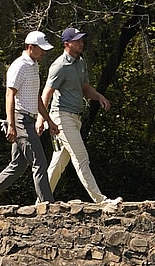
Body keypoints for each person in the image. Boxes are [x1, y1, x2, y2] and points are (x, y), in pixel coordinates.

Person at [0, 31, 59, 206]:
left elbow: (36, 97)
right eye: (41, 49)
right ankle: (47, 204)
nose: (44, 53)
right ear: (30, 47)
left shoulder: (33, 65)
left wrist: (48, 120)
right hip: (20, 120)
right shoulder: (19, 66)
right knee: (39, 162)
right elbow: (10, 95)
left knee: (17, 166)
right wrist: (12, 124)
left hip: (28, 119)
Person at [37, 27, 121, 205]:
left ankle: (41, 201)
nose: (81, 43)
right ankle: (101, 201)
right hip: (61, 117)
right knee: (82, 158)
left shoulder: (80, 63)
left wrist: (99, 97)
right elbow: (46, 93)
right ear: (67, 44)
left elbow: (84, 88)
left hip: (75, 118)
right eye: (77, 41)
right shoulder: (59, 65)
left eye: (82, 40)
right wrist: (41, 119)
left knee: (58, 163)